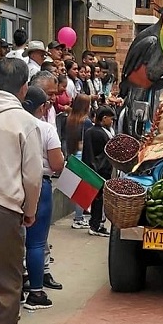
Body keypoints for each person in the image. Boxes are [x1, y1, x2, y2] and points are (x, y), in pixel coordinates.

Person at [0, 57, 42, 324]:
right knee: (6, 285)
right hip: (2, 206)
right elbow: (32, 177)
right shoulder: (25, 123)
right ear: (24, 88)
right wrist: (29, 210)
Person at [22, 86, 64, 310]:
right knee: (36, 242)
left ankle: (16, 289)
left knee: (14, 241)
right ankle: (36, 292)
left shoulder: (8, 122)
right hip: (40, 184)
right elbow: (57, 164)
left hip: (9, 184)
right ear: (42, 107)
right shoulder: (45, 129)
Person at [82, 105, 115, 237]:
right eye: (111, 119)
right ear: (104, 118)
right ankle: (96, 225)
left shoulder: (95, 131)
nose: (112, 122)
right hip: (100, 171)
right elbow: (95, 154)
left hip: (97, 169)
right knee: (98, 200)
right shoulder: (97, 133)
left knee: (98, 199)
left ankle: (97, 223)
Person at [66, 94, 93, 229]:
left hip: (73, 154)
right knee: (83, 190)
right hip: (83, 155)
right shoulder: (86, 121)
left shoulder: (70, 119)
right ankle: (78, 218)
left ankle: (79, 216)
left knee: (77, 189)